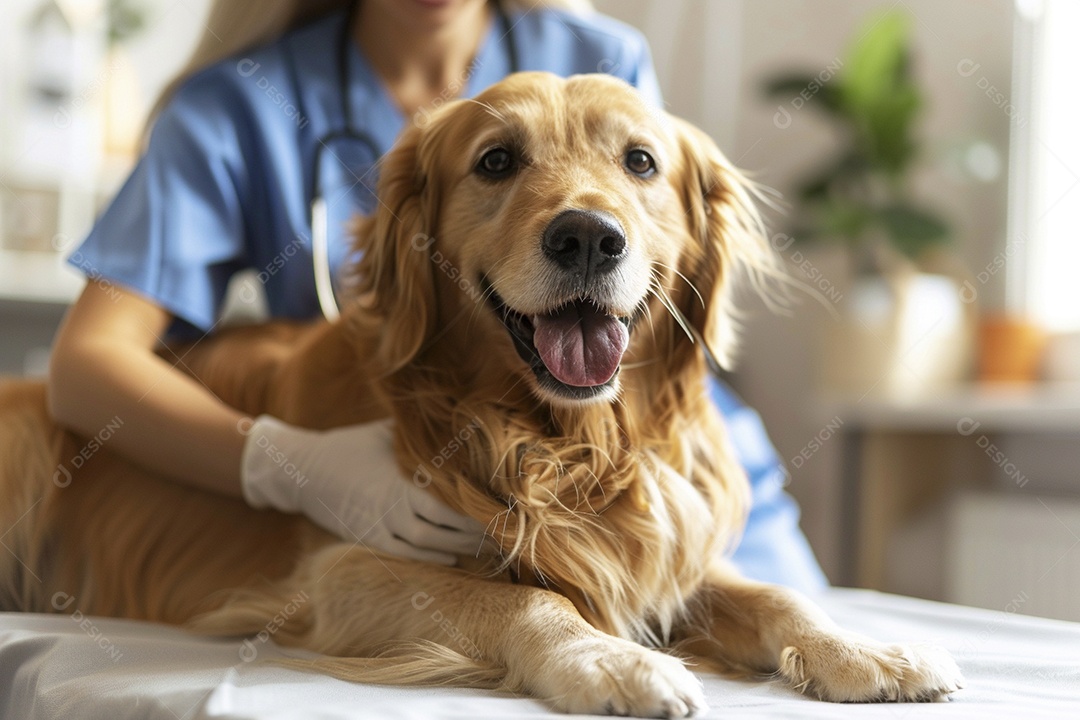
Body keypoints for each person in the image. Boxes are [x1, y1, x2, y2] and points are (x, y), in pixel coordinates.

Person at [48, 0, 827, 589]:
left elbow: (654, 273)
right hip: (413, 449)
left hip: (663, 450)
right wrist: (288, 466)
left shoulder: (600, 52)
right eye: (495, 165)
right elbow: (87, 367)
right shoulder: (240, 101)